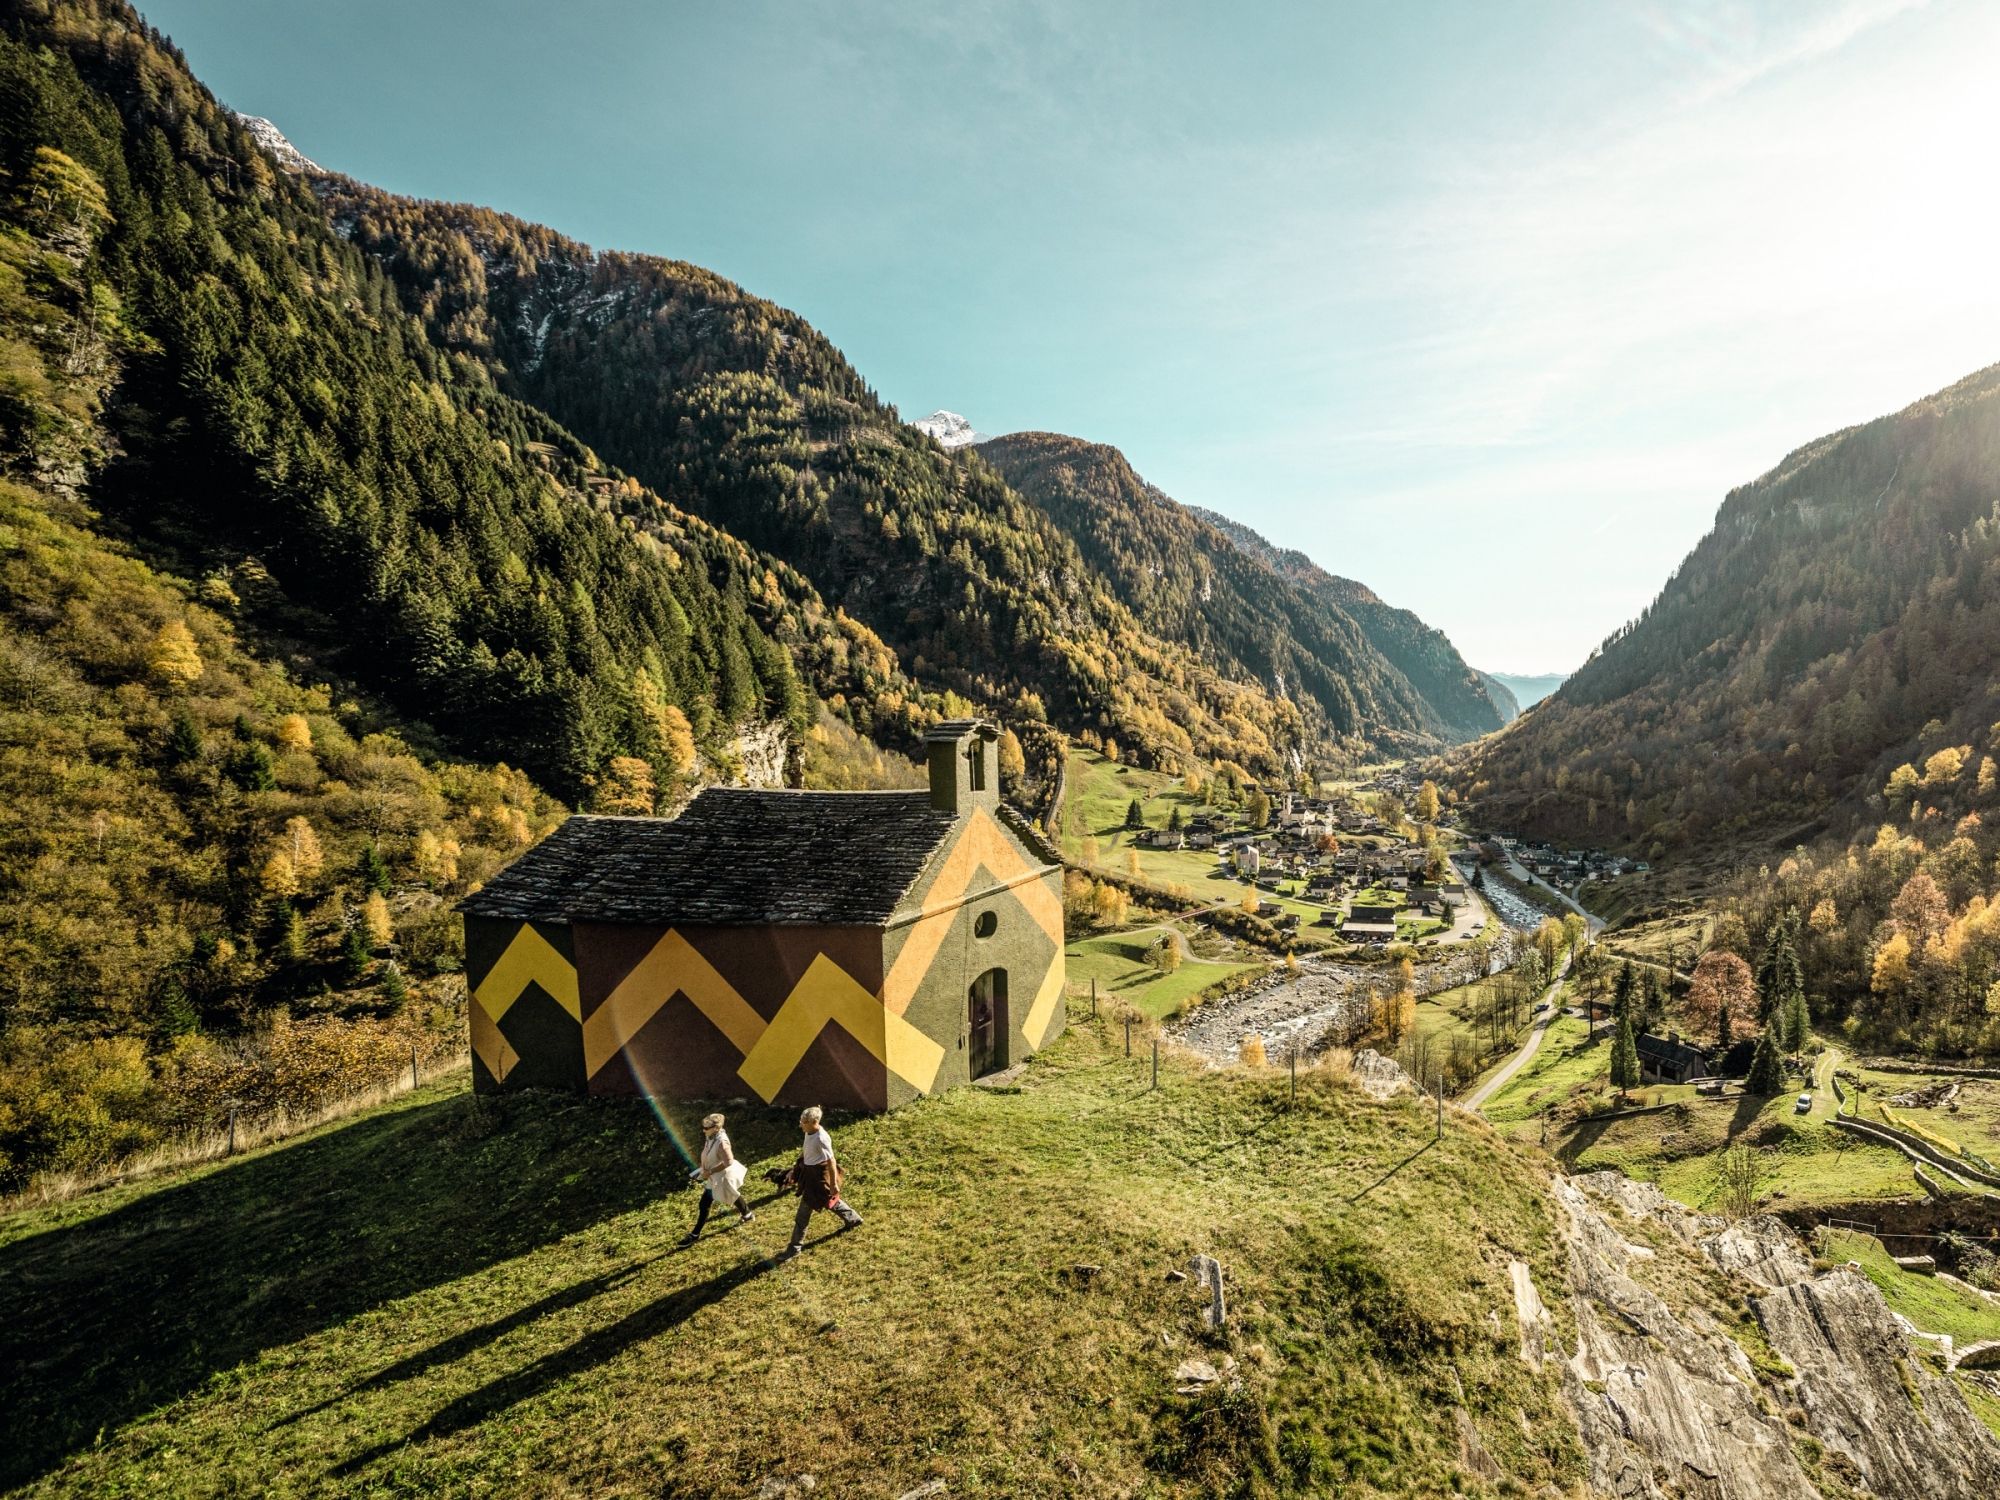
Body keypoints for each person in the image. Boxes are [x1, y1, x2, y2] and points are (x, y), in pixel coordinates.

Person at [777, 1105, 861, 1259]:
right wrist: (794, 1169)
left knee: (802, 1215)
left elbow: (831, 1161)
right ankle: (853, 1218)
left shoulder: (821, 1138)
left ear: (813, 1122)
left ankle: (794, 1248)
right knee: (827, 1200)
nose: (800, 1124)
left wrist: (834, 1184)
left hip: (818, 1178)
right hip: (810, 1175)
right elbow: (806, 1151)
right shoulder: (809, 1132)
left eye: (803, 1122)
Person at [680, 1112, 753, 1246]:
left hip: (721, 1176)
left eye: (706, 1128)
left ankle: (695, 1234)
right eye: (703, 1127)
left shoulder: (722, 1142)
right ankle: (747, 1214)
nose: (703, 1130)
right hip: (714, 1175)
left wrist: (711, 1171)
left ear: (716, 1128)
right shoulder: (711, 1136)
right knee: (732, 1195)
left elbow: (729, 1161)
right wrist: (704, 1168)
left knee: (704, 1204)